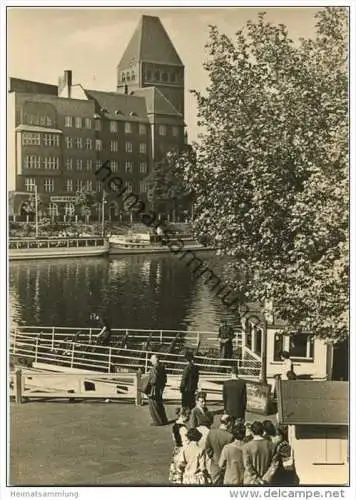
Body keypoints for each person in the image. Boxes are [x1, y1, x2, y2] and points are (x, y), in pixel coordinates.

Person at [242, 421, 274, 485]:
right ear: (263, 431)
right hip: (267, 481)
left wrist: (257, 478)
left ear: (252, 432)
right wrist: (266, 478)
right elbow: (274, 464)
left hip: (251, 481)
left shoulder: (247, 446)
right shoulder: (271, 445)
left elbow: (247, 466)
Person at [205, 414, 234, 485]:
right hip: (225, 467)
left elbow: (208, 448)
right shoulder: (230, 437)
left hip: (214, 465)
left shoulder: (211, 432)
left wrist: (212, 457)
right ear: (229, 423)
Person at [169, 407, 190, 484]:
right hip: (182, 450)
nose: (188, 418)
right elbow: (186, 442)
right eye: (188, 416)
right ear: (183, 415)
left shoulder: (174, 426)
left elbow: (174, 438)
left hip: (176, 449)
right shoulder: (183, 428)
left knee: (176, 470)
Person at [146, 354, 168, 426]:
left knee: (153, 405)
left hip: (154, 389)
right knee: (159, 404)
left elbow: (154, 380)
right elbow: (165, 379)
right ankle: (164, 420)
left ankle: (157, 421)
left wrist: (148, 381)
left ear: (155, 360)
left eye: (151, 359)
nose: (150, 360)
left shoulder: (154, 368)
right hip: (160, 388)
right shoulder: (162, 367)